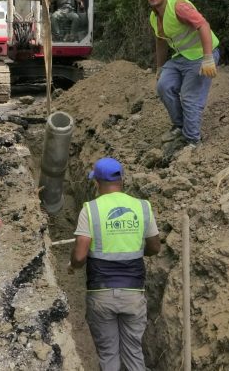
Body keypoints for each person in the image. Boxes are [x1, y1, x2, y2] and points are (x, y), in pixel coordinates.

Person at [67, 157, 161, 371]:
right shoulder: (142, 207)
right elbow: (155, 248)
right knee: (134, 352)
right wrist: (136, 250)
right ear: (122, 181)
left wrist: (73, 265)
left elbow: (80, 256)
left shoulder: (90, 210)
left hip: (101, 294)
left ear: (97, 183)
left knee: (109, 354)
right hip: (133, 293)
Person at [140, 0, 220, 150]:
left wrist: (208, 58)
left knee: (190, 97)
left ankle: (192, 142)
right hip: (182, 56)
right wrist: (160, 67)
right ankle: (179, 126)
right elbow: (160, 40)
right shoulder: (154, 17)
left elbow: (203, 25)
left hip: (201, 54)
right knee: (164, 86)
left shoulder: (178, 6)